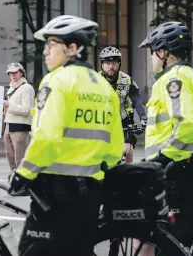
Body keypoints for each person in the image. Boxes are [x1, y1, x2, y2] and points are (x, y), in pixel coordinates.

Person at [8, 15, 124, 256]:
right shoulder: (104, 87)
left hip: (55, 193)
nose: (45, 52)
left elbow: (46, 137)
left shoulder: (57, 81)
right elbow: (114, 148)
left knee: (30, 251)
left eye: (51, 44)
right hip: (91, 193)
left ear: (72, 48)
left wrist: (23, 174)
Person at [138, 22, 193, 254]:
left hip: (176, 169)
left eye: (152, 52)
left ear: (163, 53)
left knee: (155, 237)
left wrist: (162, 159)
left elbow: (187, 123)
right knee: (171, 239)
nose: (151, 59)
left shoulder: (173, 80)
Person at [99, 46, 147, 162]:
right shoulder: (96, 80)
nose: (111, 67)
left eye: (114, 63)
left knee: (127, 148)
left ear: (119, 64)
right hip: (102, 120)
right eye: (107, 63)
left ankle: (128, 170)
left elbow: (136, 99)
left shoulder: (127, 80)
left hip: (123, 120)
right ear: (102, 65)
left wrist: (143, 117)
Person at [3, 62, 35, 171]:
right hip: (8, 124)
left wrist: (8, 105)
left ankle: (21, 180)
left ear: (21, 72)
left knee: (19, 158)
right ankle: (14, 177)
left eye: (15, 72)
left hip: (20, 126)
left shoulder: (27, 88)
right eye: (10, 73)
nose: (12, 75)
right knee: (10, 156)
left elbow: (27, 109)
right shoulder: (12, 88)